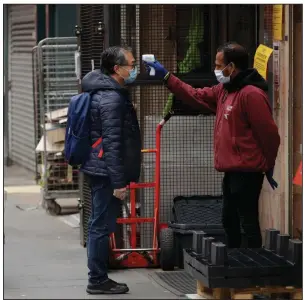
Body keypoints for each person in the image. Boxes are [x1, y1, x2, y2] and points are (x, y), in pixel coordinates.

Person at [144, 42, 280, 249]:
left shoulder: (250, 94)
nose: (216, 70)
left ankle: (252, 267)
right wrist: (167, 77)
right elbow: (195, 95)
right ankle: (235, 263)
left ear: (231, 67)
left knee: (247, 221)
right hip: (232, 170)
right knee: (229, 220)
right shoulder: (225, 90)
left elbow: (269, 134)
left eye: (219, 65)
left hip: (247, 170)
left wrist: (268, 163)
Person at [80, 46, 141, 294]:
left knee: (100, 223)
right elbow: (113, 144)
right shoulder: (112, 99)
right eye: (131, 64)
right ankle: (97, 280)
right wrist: (118, 183)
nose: (134, 69)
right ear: (117, 69)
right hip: (107, 172)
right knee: (101, 225)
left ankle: (99, 277)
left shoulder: (105, 92)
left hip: (101, 168)